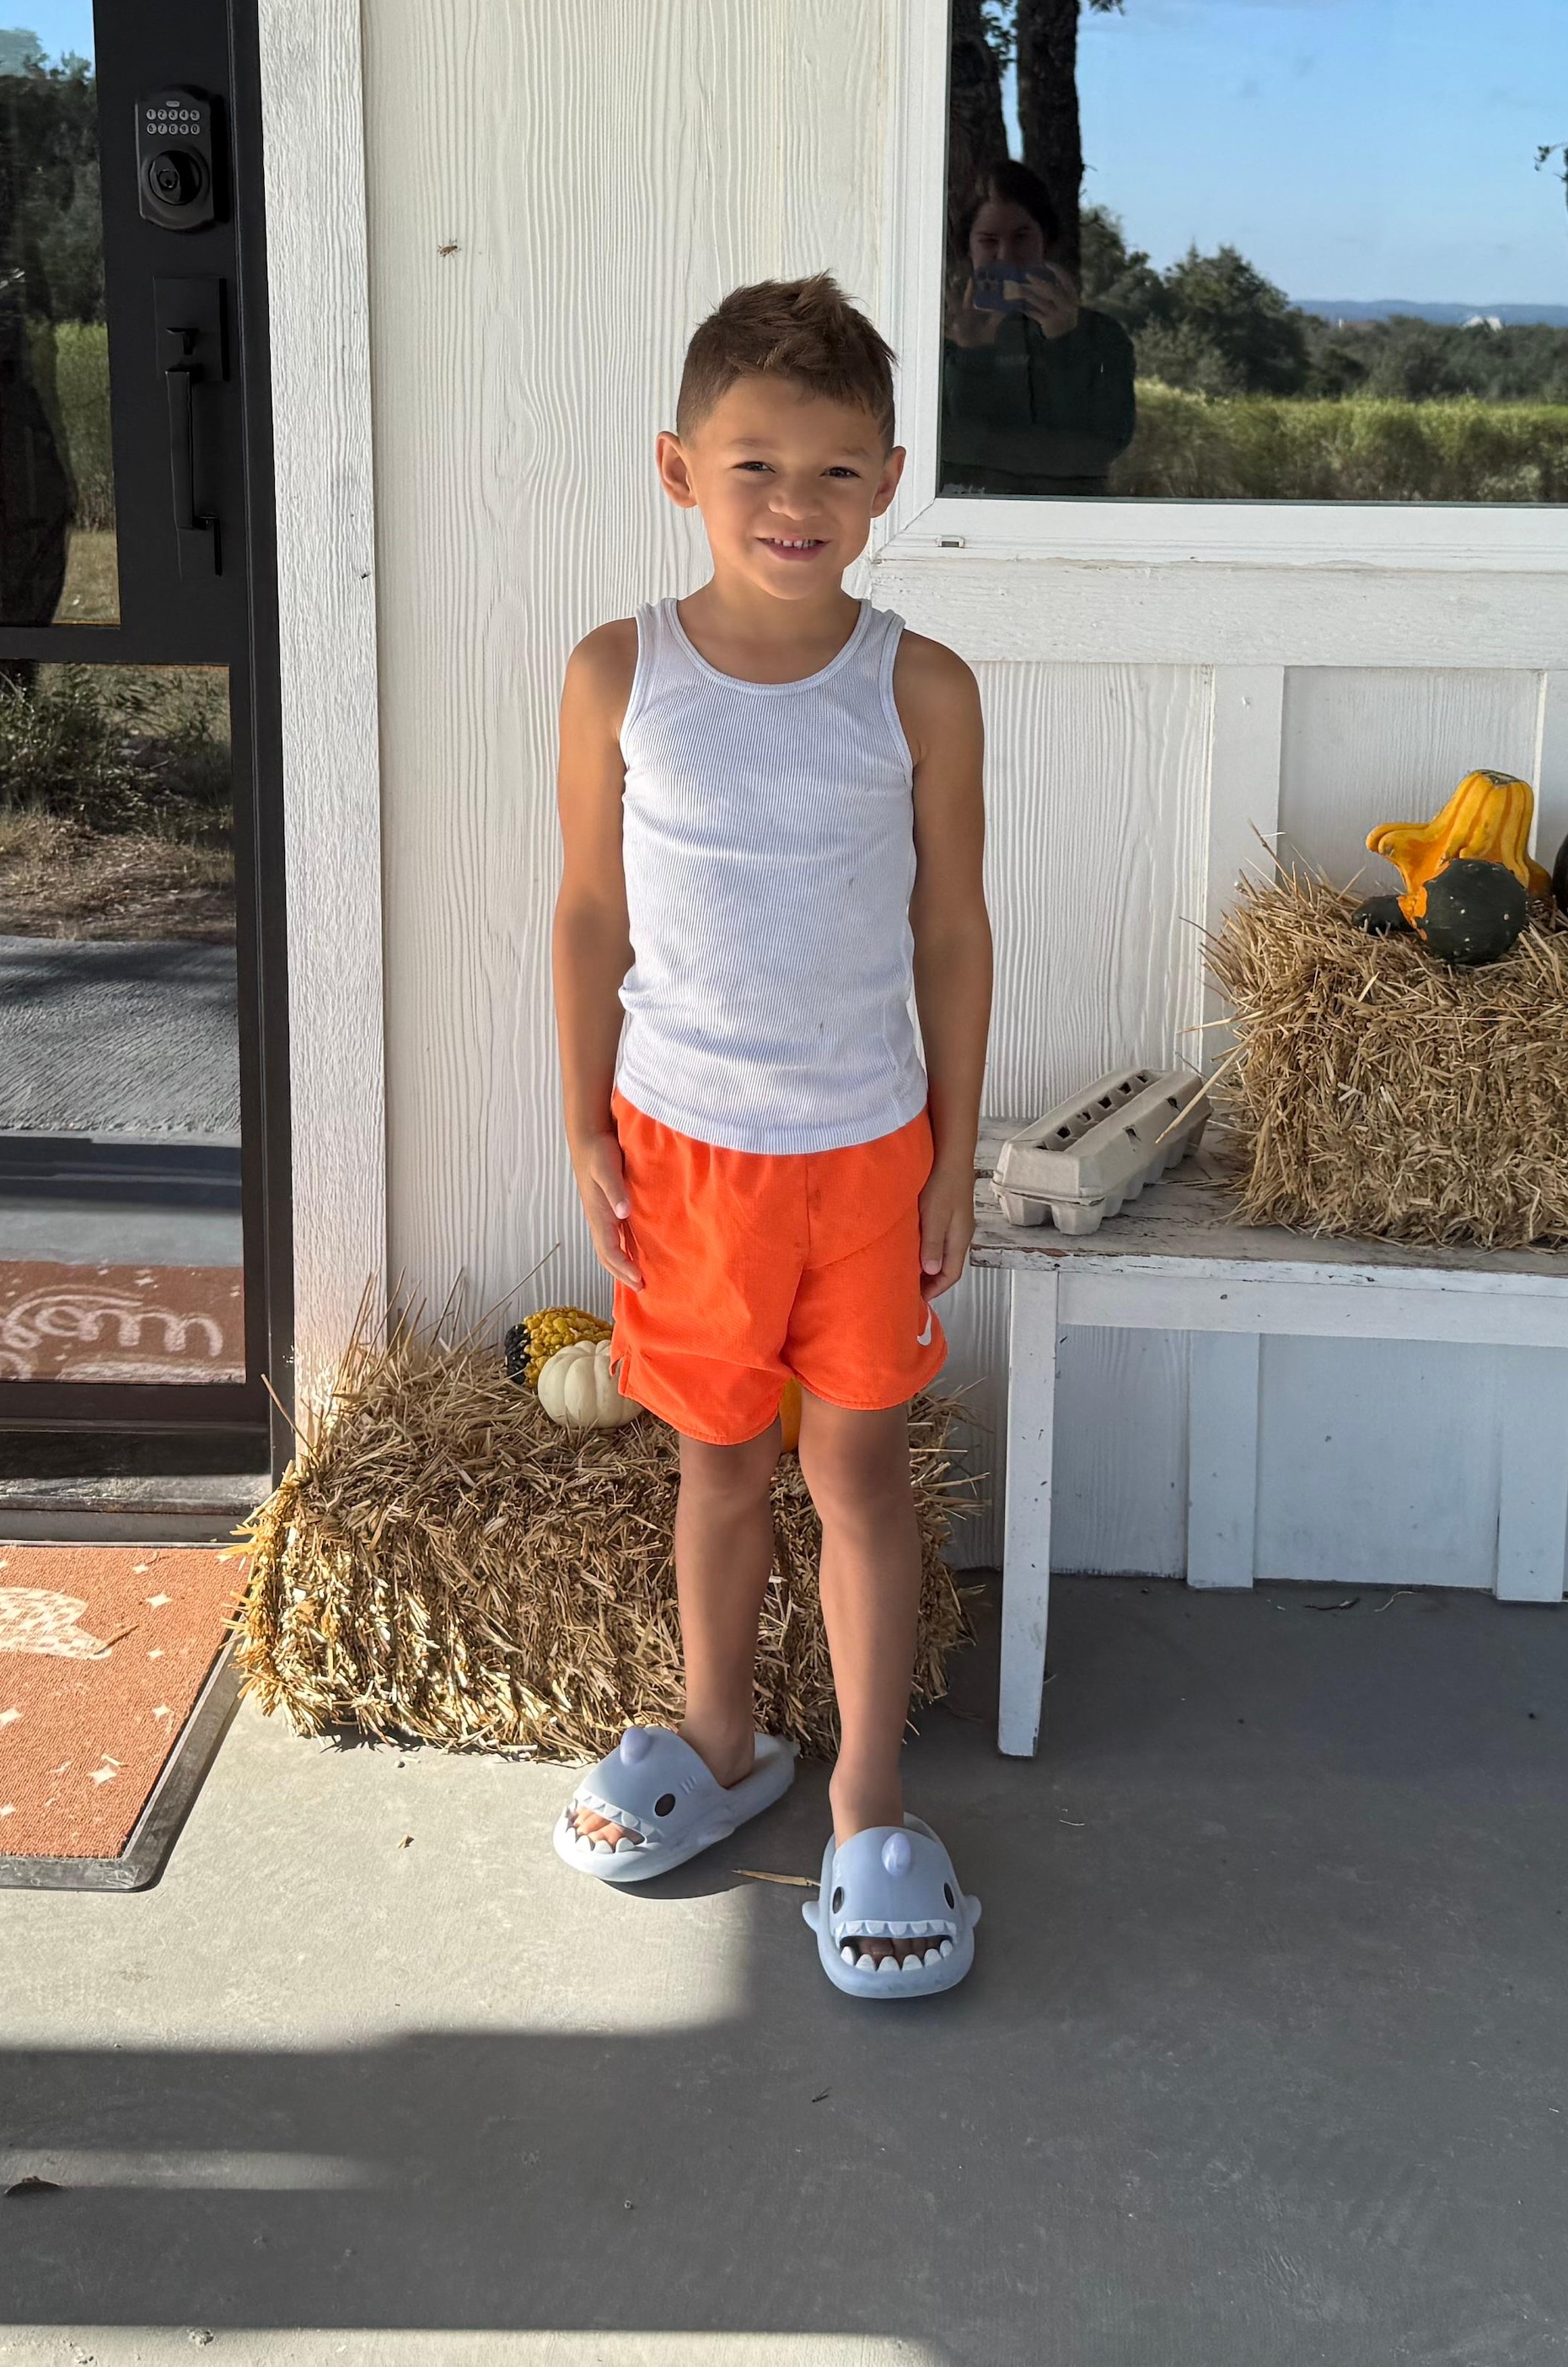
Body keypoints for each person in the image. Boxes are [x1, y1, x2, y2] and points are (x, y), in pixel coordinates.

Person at [545, 274, 996, 1999]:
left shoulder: (923, 688)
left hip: (867, 1157)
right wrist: (578, 1111)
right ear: (678, 468)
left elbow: (950, 930)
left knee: (856, 1475)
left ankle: (869, 1803)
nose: (791, 508)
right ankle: (725, 1742)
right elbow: (590, 912)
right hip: (685, 1154)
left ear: (888, 481)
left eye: (832, 473)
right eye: (753, 468)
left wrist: (952, 1148)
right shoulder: (618, 672)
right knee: (716, 1464)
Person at [937, 160, 1136, 494]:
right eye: (988, 240)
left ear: (1046, 239)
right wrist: (971, 354)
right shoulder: (936, 335)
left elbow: (1103, 445)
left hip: (1071, 519)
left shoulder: (1101, 335)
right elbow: (947, 444)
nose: (1006, 256)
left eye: (1021, 237)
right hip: (963, 523)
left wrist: (1064, 343)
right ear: (967, 248)